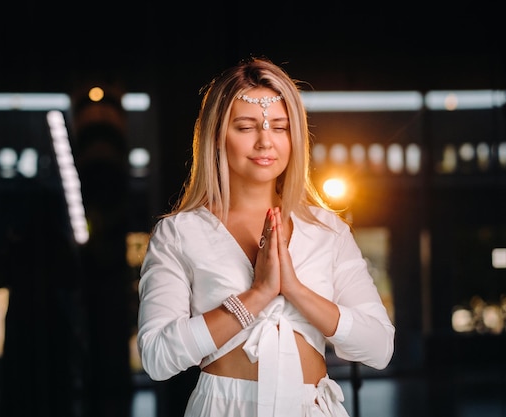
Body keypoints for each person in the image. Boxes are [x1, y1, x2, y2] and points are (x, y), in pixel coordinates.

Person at [136, 56, 395, 417]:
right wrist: (256, 296)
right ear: (216, 135)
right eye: (245, 127)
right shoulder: (180, 233)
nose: (264, 142)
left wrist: (294, 289)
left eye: (280, 127)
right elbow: (157, 357)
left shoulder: (327, 230)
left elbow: (379, 347)